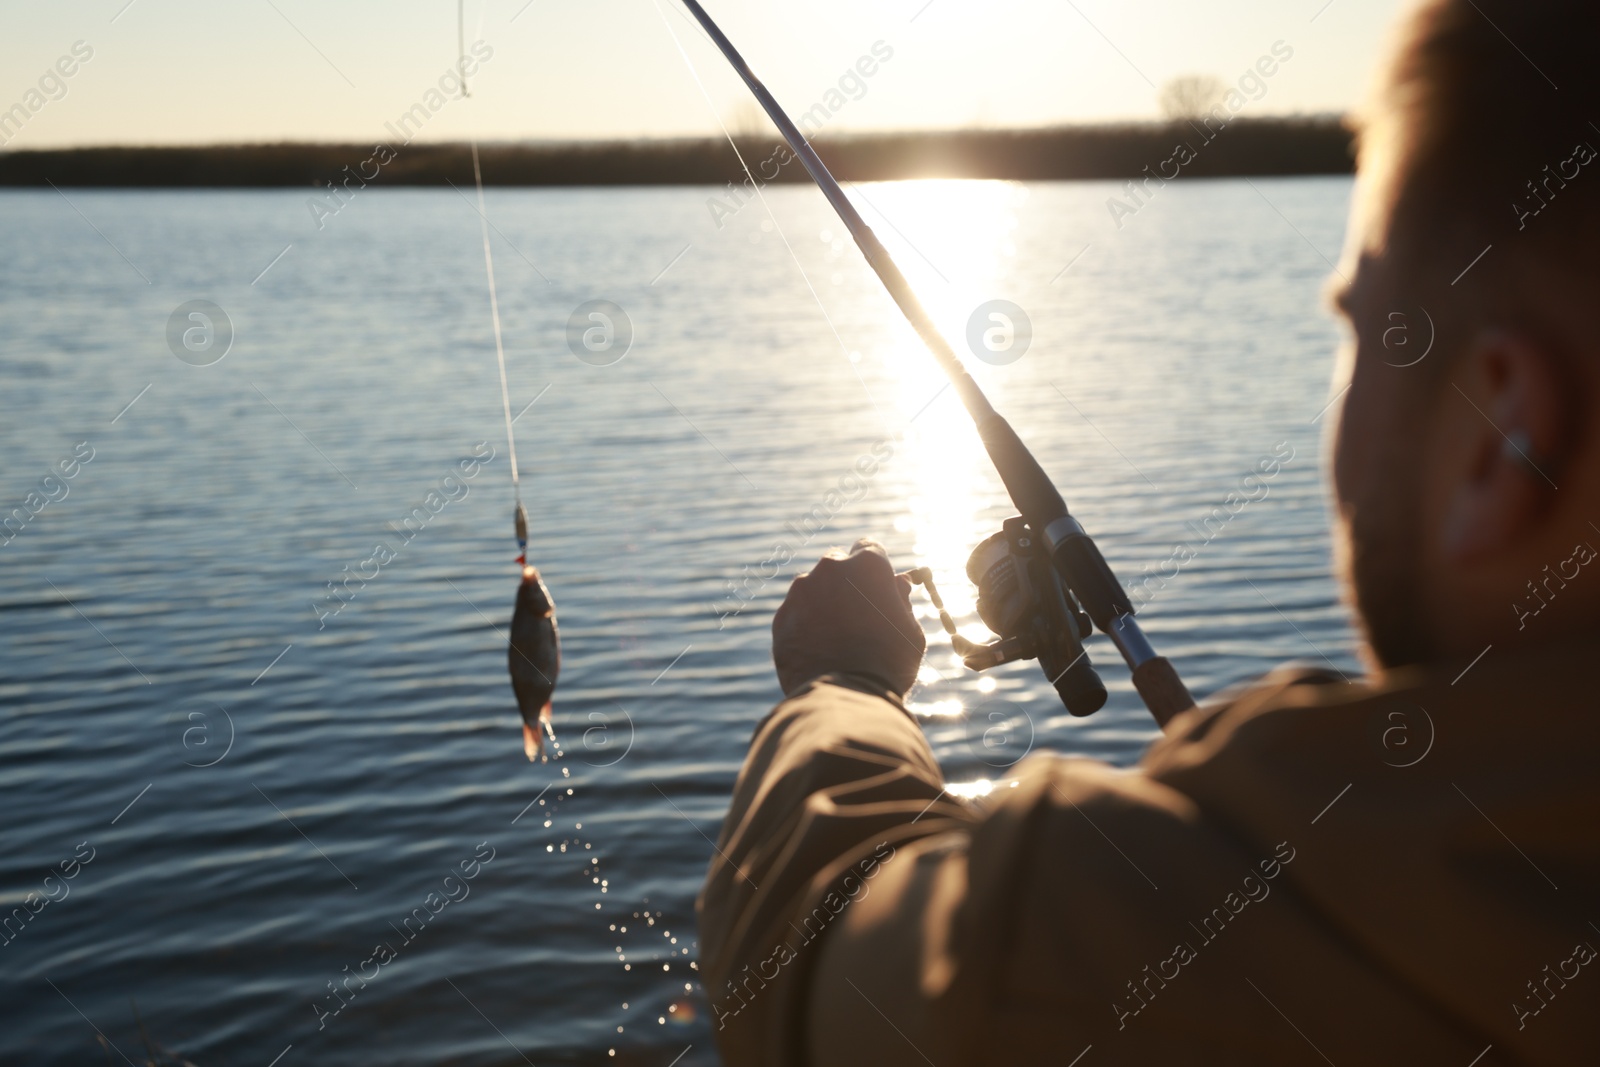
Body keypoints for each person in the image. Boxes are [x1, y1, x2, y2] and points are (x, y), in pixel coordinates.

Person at [696, 0, 1600, 1062]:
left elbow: (807, 965)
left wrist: (838, 684)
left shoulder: (1104, 946)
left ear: (1503, 438)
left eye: (1362, 335)